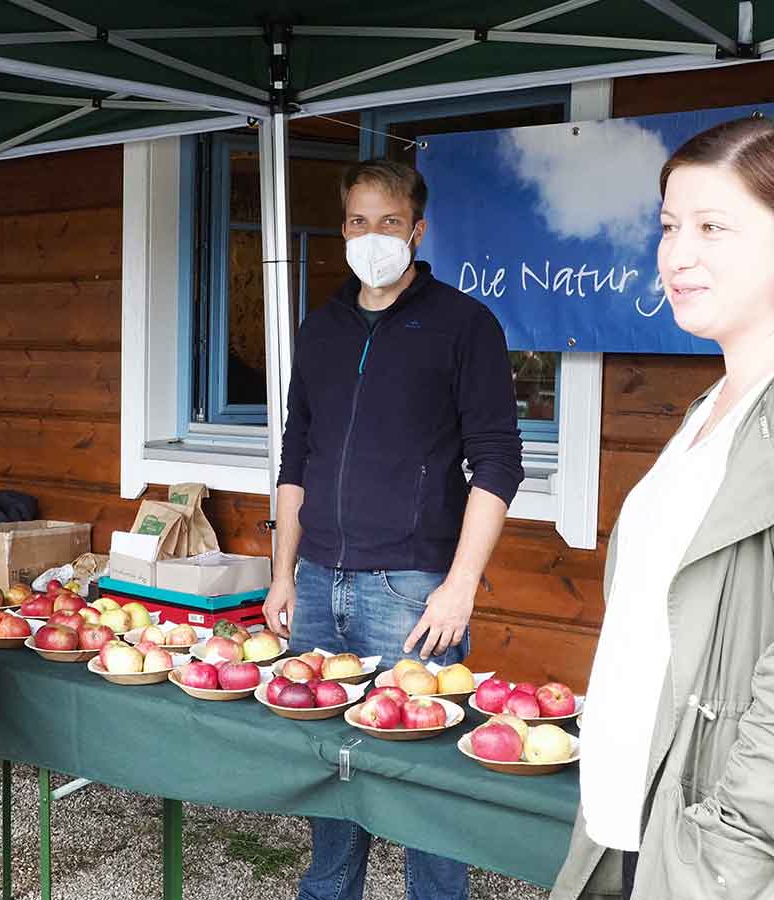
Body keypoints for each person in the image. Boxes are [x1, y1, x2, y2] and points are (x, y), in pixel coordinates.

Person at [553, 116, 774, 900]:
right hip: (633, 823)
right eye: (668, 226)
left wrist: (724, 855)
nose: (677, 254)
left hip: (718, 863)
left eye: (712, 227)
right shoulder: (711, 407)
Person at [264, 159, 524, 900]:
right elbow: (296, 455)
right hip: (316, 583)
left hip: (411, 591)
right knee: (331, 763)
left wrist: (461, 587)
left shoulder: (464, 325)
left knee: (423, 781)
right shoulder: (321, 328)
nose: (370, 235)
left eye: (387, 222)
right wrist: (283, 572)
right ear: (341, 228)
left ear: (417, 229)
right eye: (357, 221)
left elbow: (499, 463)